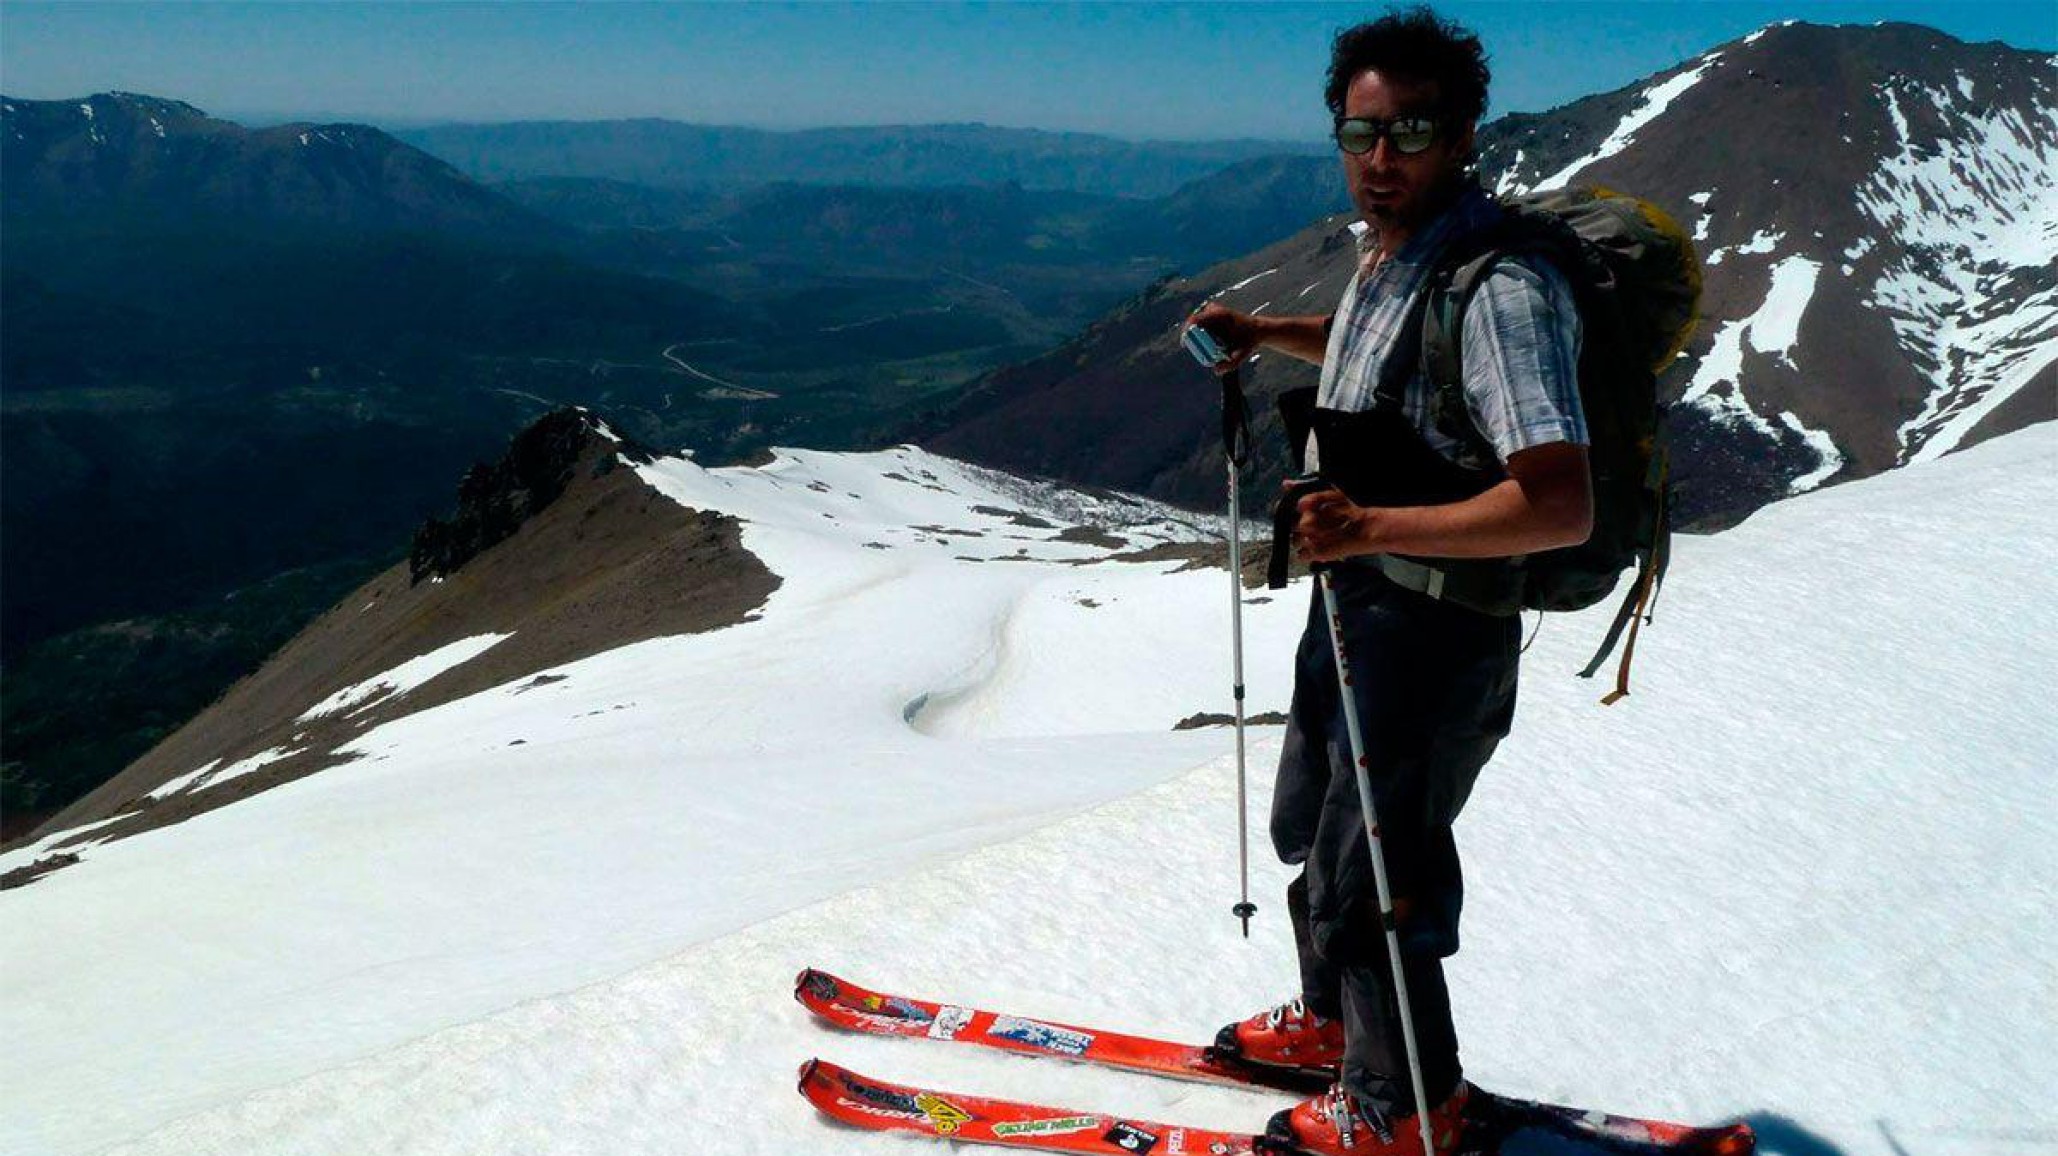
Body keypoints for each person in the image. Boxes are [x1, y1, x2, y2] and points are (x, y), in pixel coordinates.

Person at [1184, 8, 1593, 1156]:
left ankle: (1407, 1101)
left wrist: (1366, 524)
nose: (1381, 156)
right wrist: (1268, 330)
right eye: (1360, 131)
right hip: (1361, 602)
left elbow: (1559, 500)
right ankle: (1331, 1026)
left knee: (1379, 874)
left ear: (1461, 134)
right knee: (1315, 825)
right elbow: (1383, 351)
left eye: (1410, 130)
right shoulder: (1394, 252)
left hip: (1436, 630)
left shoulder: (1503, 288)